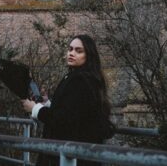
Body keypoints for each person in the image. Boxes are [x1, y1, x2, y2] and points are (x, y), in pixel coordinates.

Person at [22, 34, 115, 166]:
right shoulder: (82, 77)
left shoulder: (80, 80)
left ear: (88, 55)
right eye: (70, 49)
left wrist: (35, 109)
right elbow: (75, 110)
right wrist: (48, 104)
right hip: (75, 153)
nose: (72, 53)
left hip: (71, 155)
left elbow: (64, 120)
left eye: (78, 51)